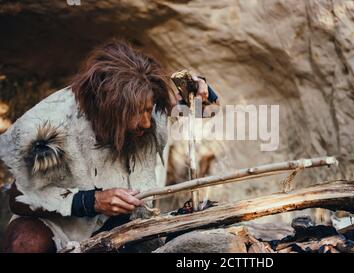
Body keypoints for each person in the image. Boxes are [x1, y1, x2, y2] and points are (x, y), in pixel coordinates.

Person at [0, 40, 219, 252]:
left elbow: (205, 111)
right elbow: (20, 199)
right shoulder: (51, 125)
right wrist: (92, 201)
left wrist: (201, 92)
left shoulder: (147, 106)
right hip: (60, 225)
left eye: (148, 109)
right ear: (108, 109)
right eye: (137, 113)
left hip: (127, 223)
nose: (146, 122)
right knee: (24, 242)